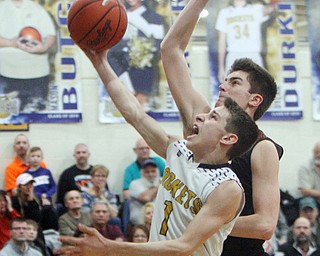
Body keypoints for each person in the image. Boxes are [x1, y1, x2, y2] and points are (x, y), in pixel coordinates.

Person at [56, 21, 259, 256]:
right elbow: (135, 115)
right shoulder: (178, 151)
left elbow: (183, 247)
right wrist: (101, 63)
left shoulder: (227, 189)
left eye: (212, 117)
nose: (201, 117)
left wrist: (109, 248)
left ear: (228, 139)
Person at [160, 0, 283, 255]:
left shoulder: (262, 148)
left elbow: (264, 225)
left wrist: (202, 219)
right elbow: (171, 49)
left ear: (254, 99)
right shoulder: (202, 119)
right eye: (225, 79)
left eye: (234, 82)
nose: (222, 85)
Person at [0, 0, 56, 112]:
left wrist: (44, 47)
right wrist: (12, 43)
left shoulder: (37, 9)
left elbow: (51, 36)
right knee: (9, 121)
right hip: (6, 74)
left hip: (38, 75)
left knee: (37, 120)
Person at [107, 0, 165, 110]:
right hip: (121, 69)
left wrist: (139, 49)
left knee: (139, 109)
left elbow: (157, 45)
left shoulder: (154, 17)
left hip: (143, 72)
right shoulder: (120, 16)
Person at [215, 0, 277, 83]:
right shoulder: (224, 13)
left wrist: (268, 3)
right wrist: (221, 67)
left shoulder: (256, 9)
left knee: (257, 86)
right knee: (233, 87)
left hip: (253, 54)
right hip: (234, 54)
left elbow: (271, 8)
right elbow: (221, 41)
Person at [56, 143, 93, 210]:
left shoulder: (96, 172)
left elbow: (104, 190)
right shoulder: (67, 173)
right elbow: (61, 197)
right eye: (78, 153)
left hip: (94, 206)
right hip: (75, 208)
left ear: (88, 154)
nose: (81, 155)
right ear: (74, 155)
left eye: (84, 152)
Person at [129, 159, 160, 225]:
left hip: (159, 214)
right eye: (147, 172)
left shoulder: (162, 181)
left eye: (153, 171)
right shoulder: (135, 184)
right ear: (142, 173)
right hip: (140, 216)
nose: (150, 174)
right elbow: (146, 198)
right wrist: (157, 186)